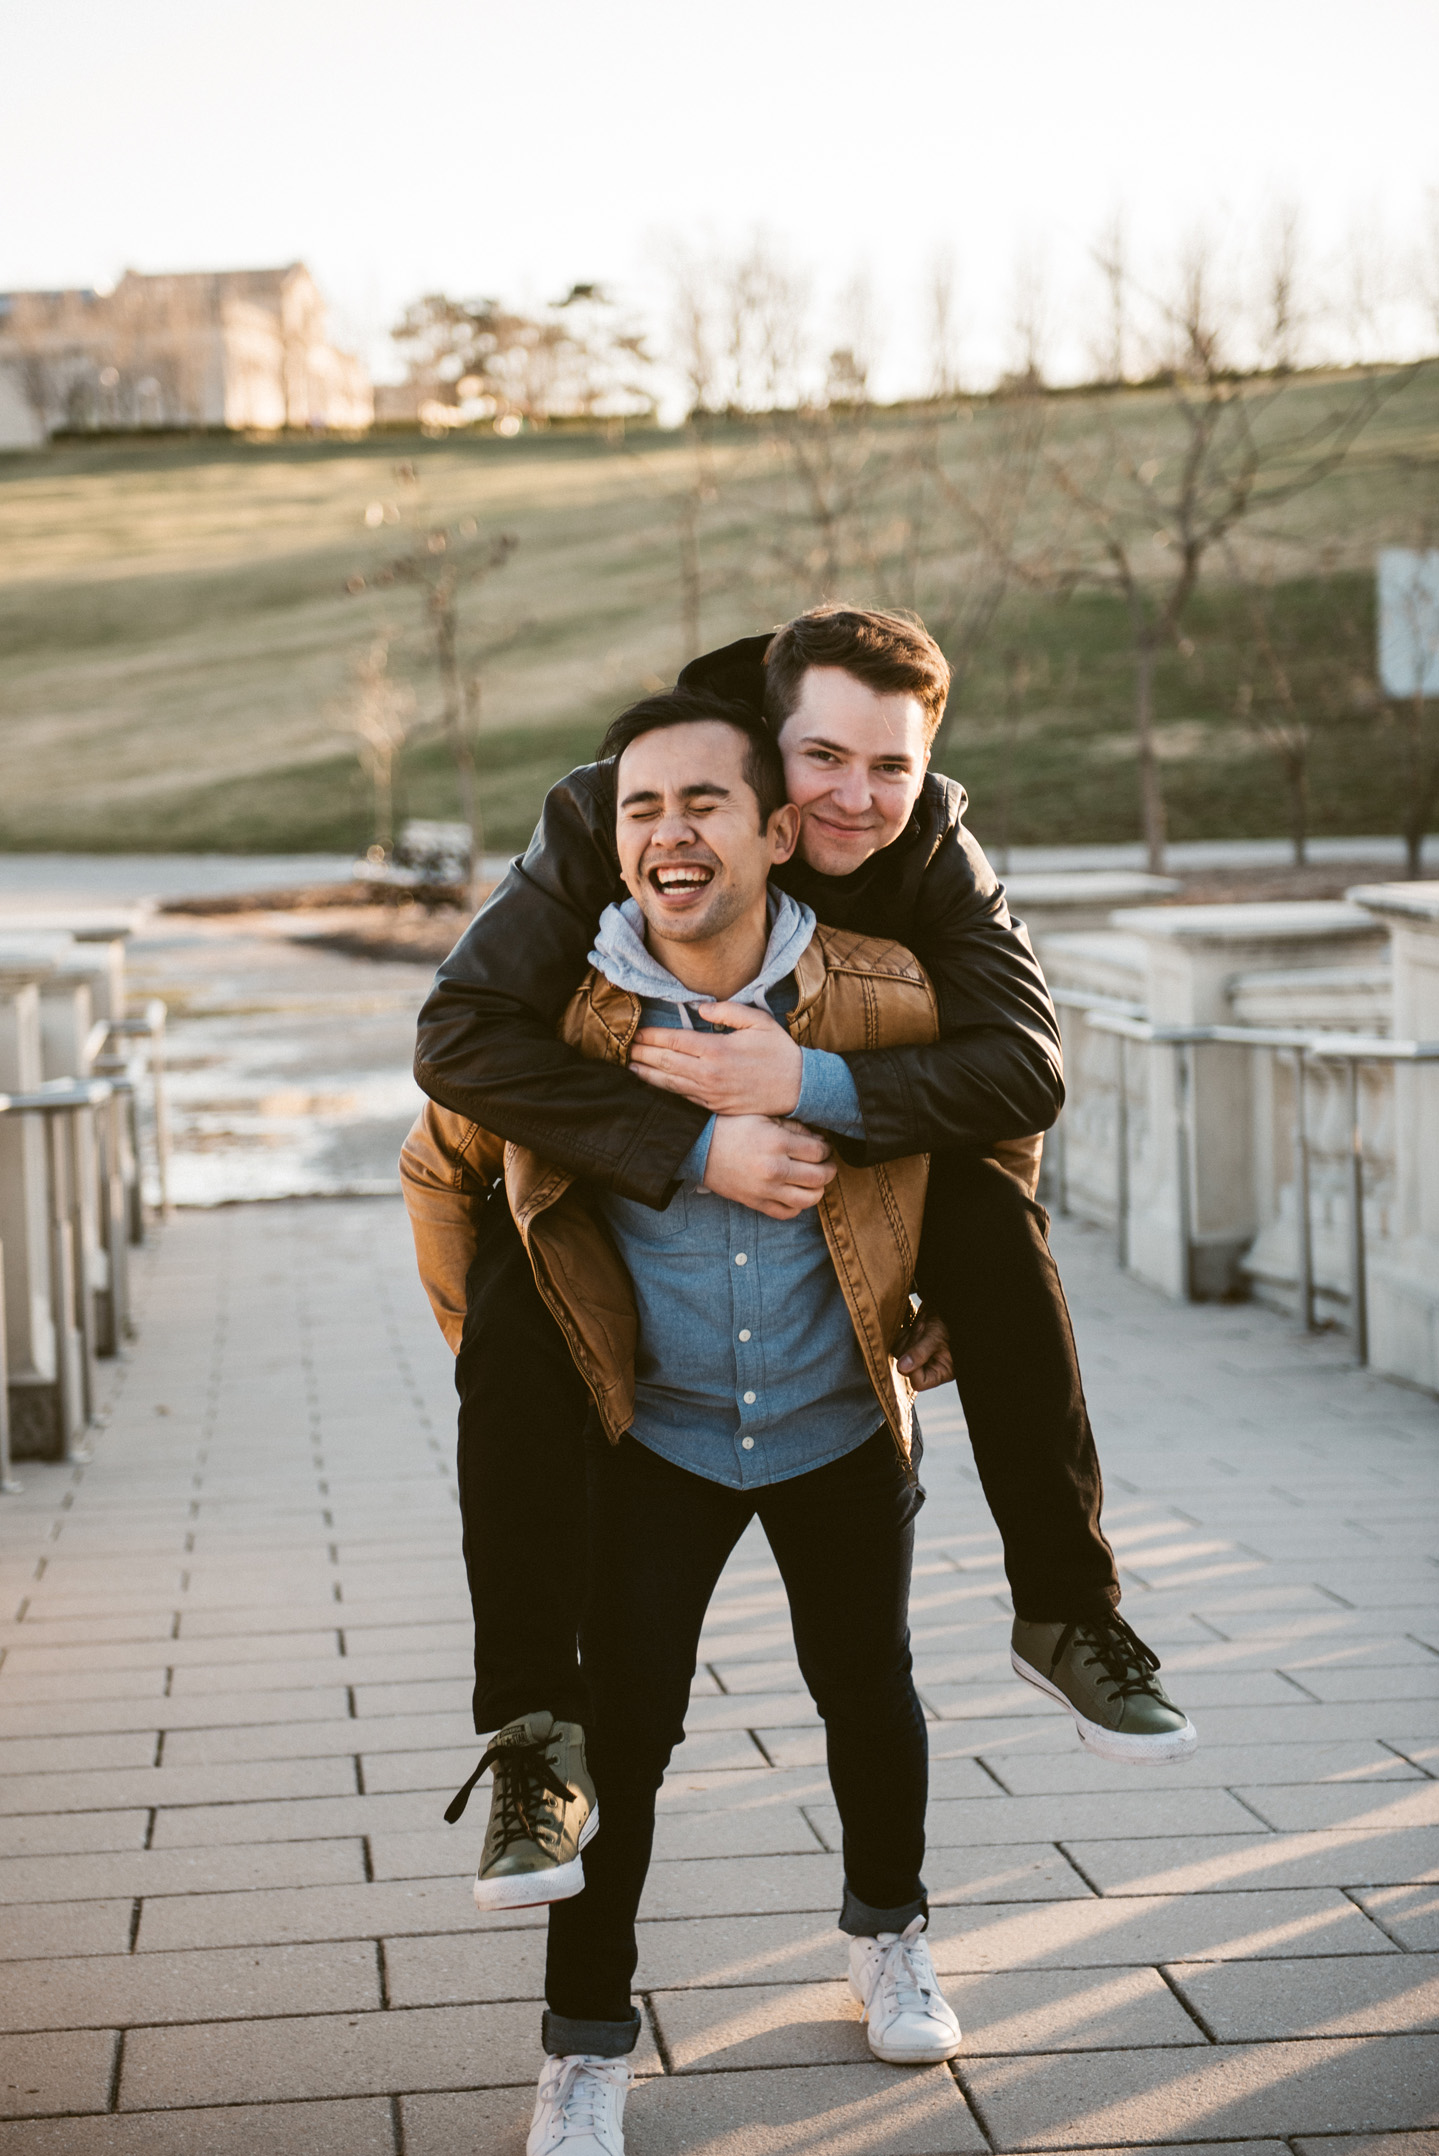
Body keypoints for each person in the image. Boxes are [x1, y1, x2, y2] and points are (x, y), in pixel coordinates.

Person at [406, 605, 1196, 1915]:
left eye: (890, 766)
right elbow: (459, 1039)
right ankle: (535, 1733)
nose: (856, 799)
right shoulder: (625, 807)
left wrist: (808, 1082)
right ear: (772, 758)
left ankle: (1066, 1609)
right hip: (622, 1197)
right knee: (516, 1306)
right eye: (823, 759)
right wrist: (693, 1145)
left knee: (998, 1233)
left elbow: (1024, 1067)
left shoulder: (927, 836)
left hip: (860, 1171)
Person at [408, 691, 970, 2156]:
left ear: (778, 832)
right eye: (642, 807)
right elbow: (439, 1158)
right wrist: (515, 1364)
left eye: (707, 803)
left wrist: (961, 1285)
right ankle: (586, 2045)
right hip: (649, 1435)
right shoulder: (571, 1018)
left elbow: (994, 1123)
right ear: (612, 837)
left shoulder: (876, 989)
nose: (672, 832)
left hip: (838, 1414)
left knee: (868, 1689)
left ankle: (889, 1935)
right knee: (627, 1742)